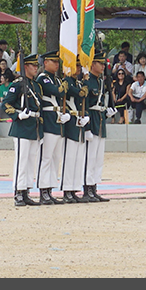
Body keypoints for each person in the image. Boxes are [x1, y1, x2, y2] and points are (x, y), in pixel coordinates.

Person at [0, 53, 43, 206]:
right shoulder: (18, 84)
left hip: (34, 126)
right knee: (21, 160)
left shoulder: (36, 86)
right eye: (33, 65)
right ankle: (18, 191)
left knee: (31, 161)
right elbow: (5, 104)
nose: (36, 68)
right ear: (25, 67)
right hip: (22, 127)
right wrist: (18, 114)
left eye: (37, 66)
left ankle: (26, 191)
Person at [35, 51, 72, 205]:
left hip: (57, 120)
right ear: (45, 63)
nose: (57, 65)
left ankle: (50, 189)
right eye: (53, 62)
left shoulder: (56, 79)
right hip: (49, 120)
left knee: (55, 158)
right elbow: (57, 92)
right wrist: (65, 84)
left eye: (58, 62)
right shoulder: (43, 79)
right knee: (46, 157)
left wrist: (67, 114)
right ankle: (43, 189)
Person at [82, 51, 115, 202]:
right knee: (89, 157)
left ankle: (94, 186)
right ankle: (87, 188)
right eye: (100, 63)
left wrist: (108, 111)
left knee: (98, 158)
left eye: (104, 64)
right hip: (92, 120)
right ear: (92, 64)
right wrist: (87, 127)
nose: (103, 66)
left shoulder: (101, 82)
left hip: (100, 120)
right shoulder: (87, 81)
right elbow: (85, 106)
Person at [60, 60, 88, 203]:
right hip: (70, 120)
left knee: (77, 158)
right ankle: (66, 189)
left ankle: (73, 188)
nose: (79, 68)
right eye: (76, 66)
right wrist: (80, 92)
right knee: (69, 158)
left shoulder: (77, 82)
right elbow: (71, 92)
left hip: (78, 120)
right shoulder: (67, 81)